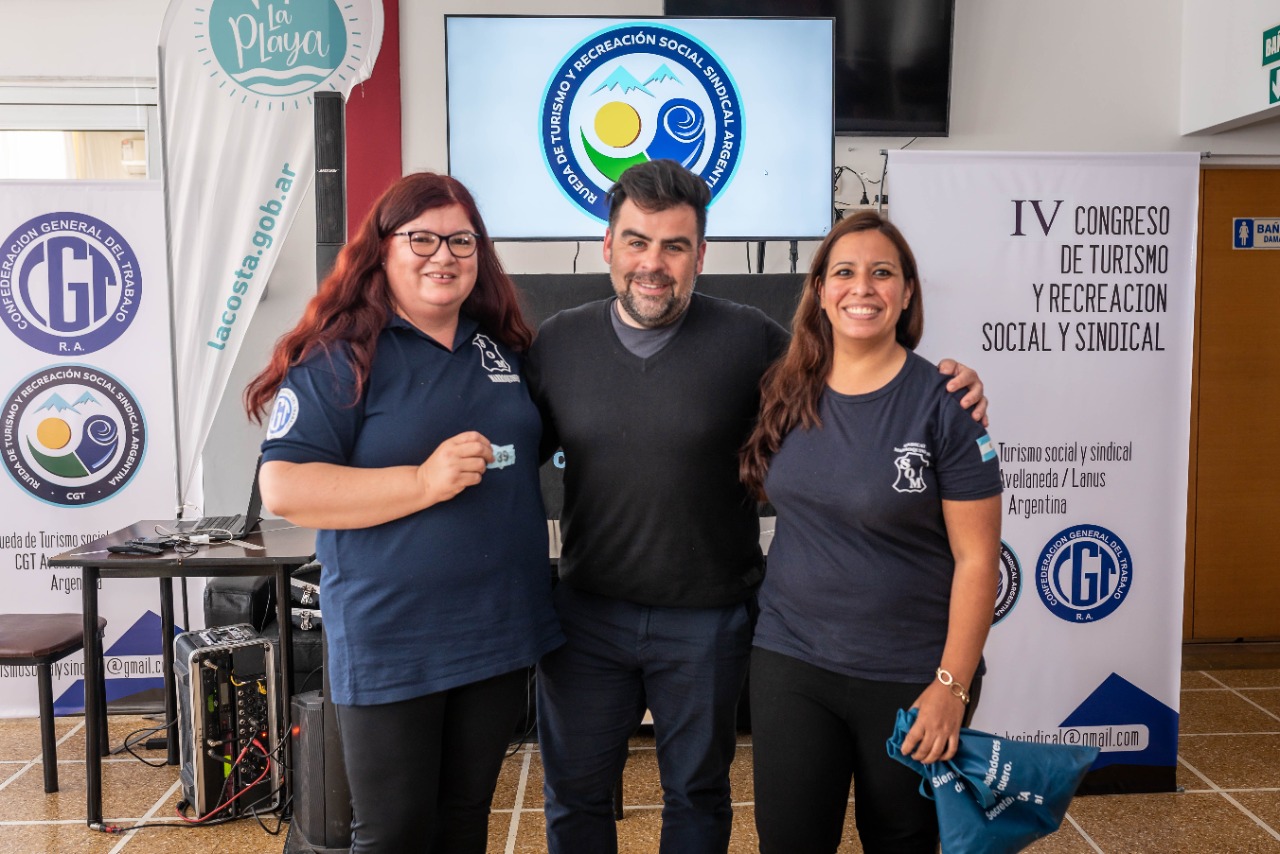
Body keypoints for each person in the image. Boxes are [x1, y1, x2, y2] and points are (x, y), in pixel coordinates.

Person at [526, 159, 989, 853]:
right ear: (608, 246)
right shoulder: (558, 342)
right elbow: (506, 454)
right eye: (636, 242)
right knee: (574, 798)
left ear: (701, 255)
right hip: (589, 617)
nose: (653, 263)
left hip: (708, 620)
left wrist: (951, 384)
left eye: (675, 246)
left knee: (697, 797)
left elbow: (852, 364)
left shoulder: (752, 340)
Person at [243, 172, 563, 853]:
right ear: (382, 249)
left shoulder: (502, 349)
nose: (443, 255)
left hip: (497, 629)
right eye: (422, 239)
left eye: (461, 241)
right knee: (394, 833)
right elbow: (285, 487)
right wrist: (421, 482)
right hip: (394, 637)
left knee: (463, 822)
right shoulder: (342, 357)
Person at [739, 210, 1003, 854]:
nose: (862, 288)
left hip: (909, 673)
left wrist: (951, 688)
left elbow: (978, 560)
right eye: (844, 273)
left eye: (882, 273)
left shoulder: (947, 403)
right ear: (820, 290)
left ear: (907, 292)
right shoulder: (785, 388)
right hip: (791, 660)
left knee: (902, 841)